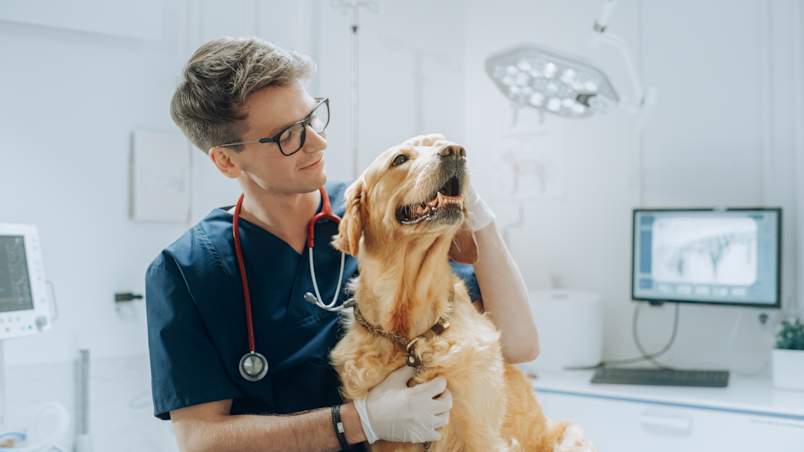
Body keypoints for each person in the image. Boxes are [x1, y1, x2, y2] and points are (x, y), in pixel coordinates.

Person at [145, 36, 540, 452]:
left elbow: (518, 344)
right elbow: (201, 439)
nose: (317, 143)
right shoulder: (186, 272)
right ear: (227, 160)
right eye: (287, 137)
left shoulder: (378, 216)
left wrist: (479, 218)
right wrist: (356, 421)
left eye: (313, 118)